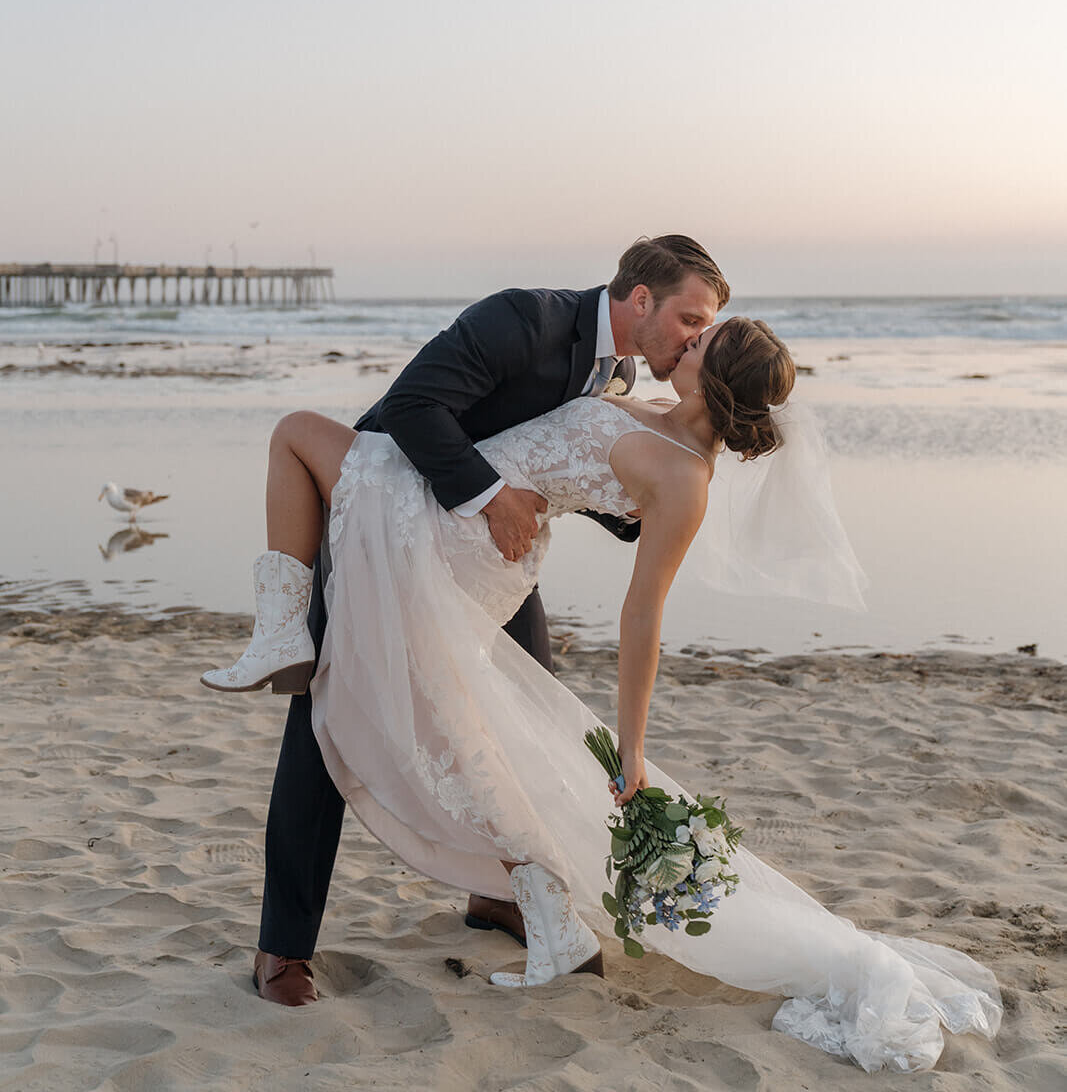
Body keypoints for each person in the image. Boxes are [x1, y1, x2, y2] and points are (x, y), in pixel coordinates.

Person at [204, 315, 1002, 1073]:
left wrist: (630, 749)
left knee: (297, 434)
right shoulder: (651, 410)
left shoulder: (683, 481)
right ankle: (543, 909)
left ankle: (282, 634)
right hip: (484, 537)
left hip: (455, 533)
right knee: (469, 725)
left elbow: (641, 619)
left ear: (712, 374)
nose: (688, 339)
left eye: (705, 338)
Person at [205, 235, 728, 1003]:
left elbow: (587, 472)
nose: (692, 336)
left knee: (523, 719)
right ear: (640, 298)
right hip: (386, 526)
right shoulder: (524, 320)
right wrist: (492, 495)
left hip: (489, 554)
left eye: (706, 329)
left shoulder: (617, 371)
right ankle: (282, 950)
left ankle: (495, 893)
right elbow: (412, 407)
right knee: (323, 720)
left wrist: (677, 471)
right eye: (690, 317)